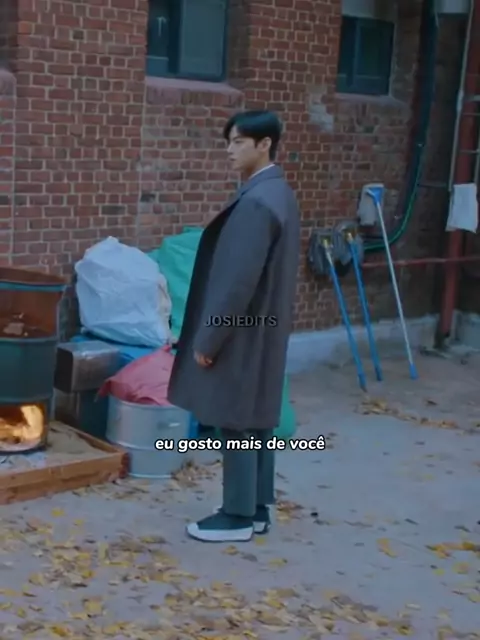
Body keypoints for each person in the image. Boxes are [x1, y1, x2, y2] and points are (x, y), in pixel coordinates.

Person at [167, 110, 300, 542]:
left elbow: (236, 282)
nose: (230, 150)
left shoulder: (258, 202)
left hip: (242, 330)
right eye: (229, 141)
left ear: (265, 144)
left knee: (236, 420)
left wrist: (209, 340)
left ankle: (237, 517)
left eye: (239, 142)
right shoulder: (279, 193)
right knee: (257, 418)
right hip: (263, 326)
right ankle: (257, 509)